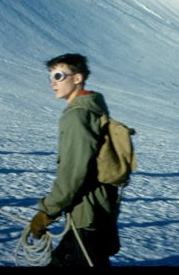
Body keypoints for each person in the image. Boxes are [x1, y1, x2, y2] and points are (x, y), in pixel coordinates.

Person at [29, 53, 120, 267]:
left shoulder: (77, 115)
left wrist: (47, 212)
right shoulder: (93, 109)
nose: (53, 82)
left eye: (59, 76)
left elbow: (73, 174)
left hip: (85, 215)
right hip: (98, 211)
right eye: (50, 76)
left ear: (77, 78)